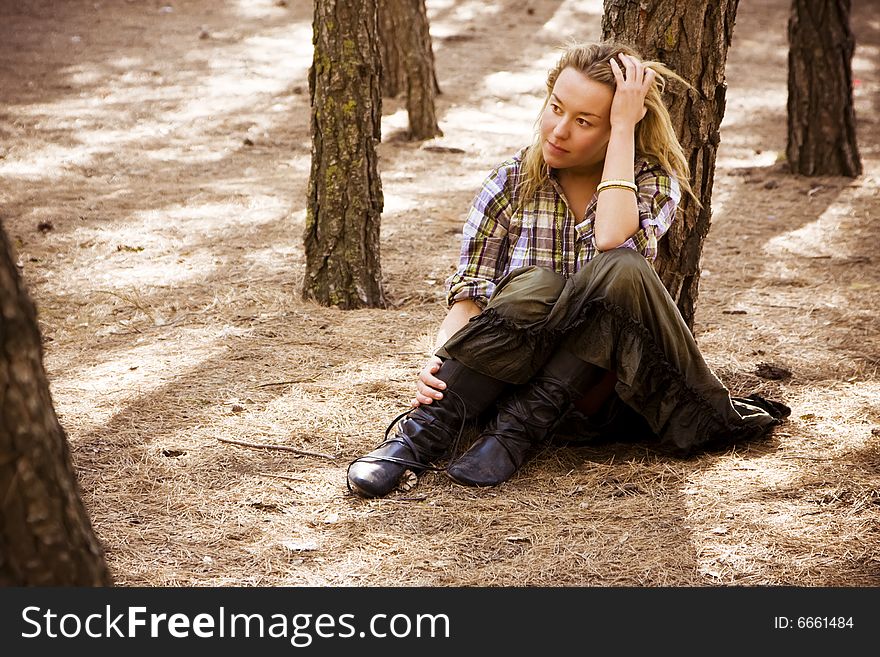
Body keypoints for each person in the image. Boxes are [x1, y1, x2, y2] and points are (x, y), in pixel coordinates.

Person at [346, 40, 789, 499]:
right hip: (511, 382)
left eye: (584, 121)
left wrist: (622, 130)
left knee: (621, 267)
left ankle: (515, 434)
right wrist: (443, 362)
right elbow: (470, 295)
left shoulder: (653, 183)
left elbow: (612, 237)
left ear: (617, 127)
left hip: (601, 394)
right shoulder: (510, 182)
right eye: (556, 108)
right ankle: (420, 437)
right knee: (537, 285)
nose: (558, 131)